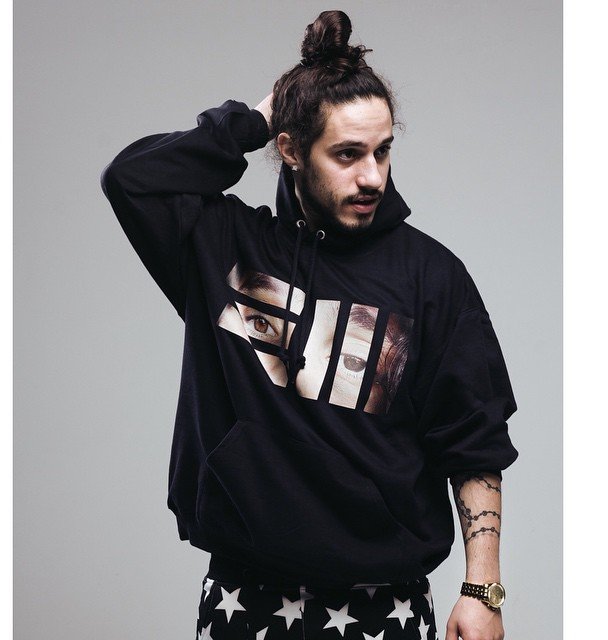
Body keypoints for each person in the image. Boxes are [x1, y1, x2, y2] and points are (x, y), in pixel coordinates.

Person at [100, 9, 518, 640]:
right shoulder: (222, 247)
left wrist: (482, 589)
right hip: (246, 595)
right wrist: (255, 120)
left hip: (383, 602)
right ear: (291, 150)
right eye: (347, 154)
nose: (372, 176)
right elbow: (131, 180)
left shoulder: (432, 277)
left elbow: (473, 440)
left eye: (382, 151)